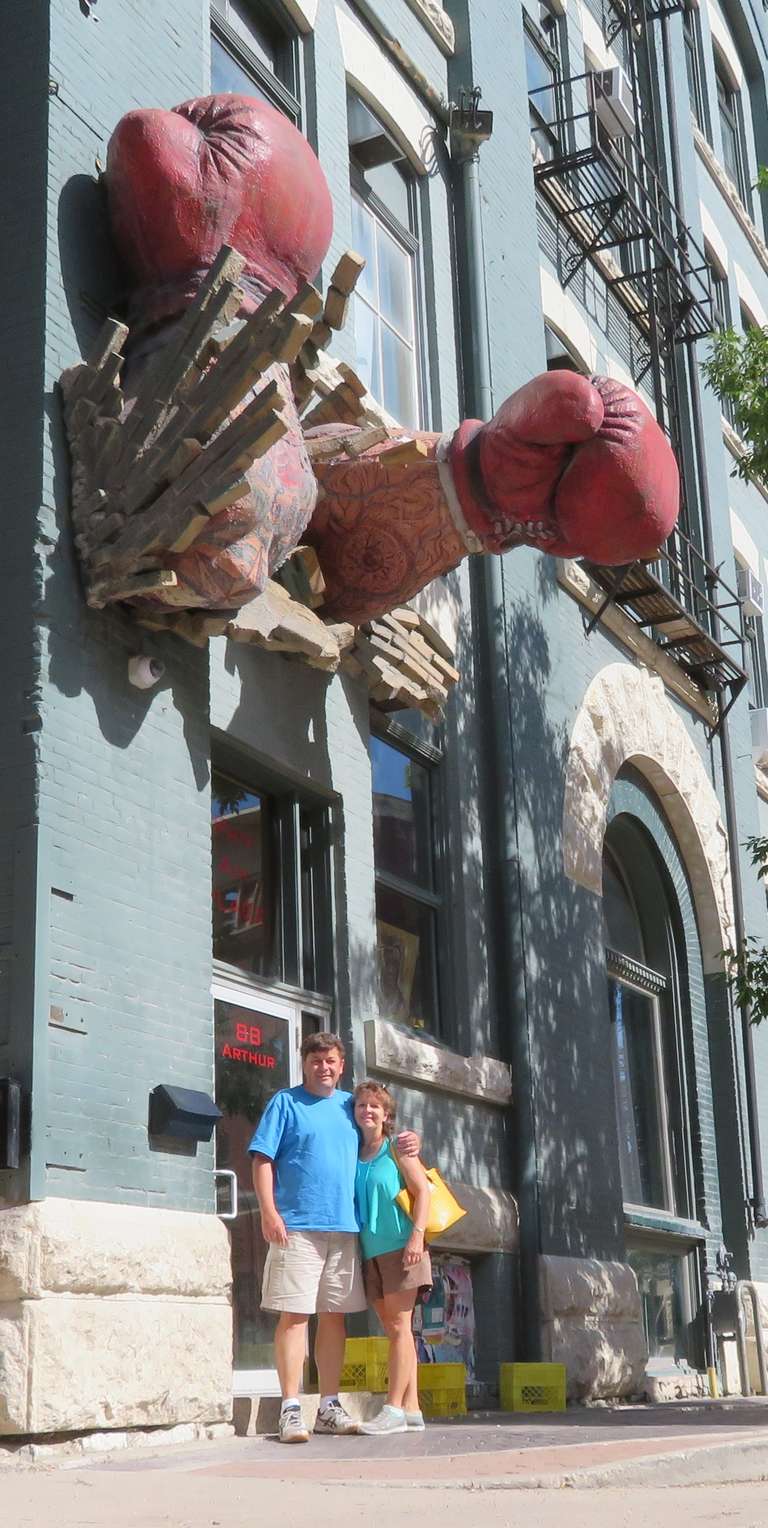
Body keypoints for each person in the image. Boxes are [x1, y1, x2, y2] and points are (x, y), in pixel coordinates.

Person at [249, 1031, 418, 1444]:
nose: (324, 1066)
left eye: (331, 1061)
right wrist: (269, 1211)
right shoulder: (285, 1103)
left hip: (345, 1231)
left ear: (342, 1067)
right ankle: (290, 1409)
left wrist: (411, 1140)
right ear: (304, 1062)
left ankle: (328, 1406)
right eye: (316, 1059)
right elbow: (262, 1159)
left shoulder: (350, 1106)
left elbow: (381, 1129)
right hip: (297, 1227)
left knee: (334, 1318)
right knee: (294, 1316)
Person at [353, 1080, 433, 1436]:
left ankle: (394, 1409)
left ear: (387, 1116)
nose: (367, 1111)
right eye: (361, 1106)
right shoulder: (355, 1152)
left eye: (375, 1106)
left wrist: (417, 1236)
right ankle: (413, 1409)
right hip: (371, 1253)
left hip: (403, 1248)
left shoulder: (398, 1149)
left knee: (401, 1329)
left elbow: (424, 1193)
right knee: (395, 1331)